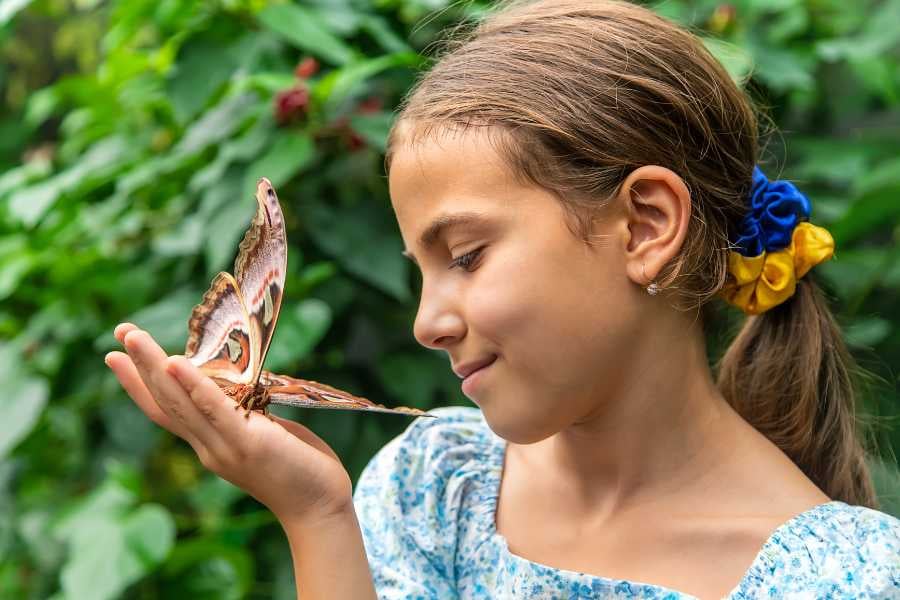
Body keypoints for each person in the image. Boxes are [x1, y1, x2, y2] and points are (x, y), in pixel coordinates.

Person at [105, 1, 900, 598]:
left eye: (468, 256)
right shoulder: (434, 487)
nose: (427, 321)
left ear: (646, 225)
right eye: (420, 268)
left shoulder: (847, 579)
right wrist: (315, 517)